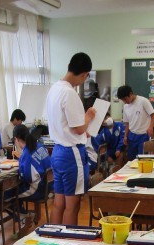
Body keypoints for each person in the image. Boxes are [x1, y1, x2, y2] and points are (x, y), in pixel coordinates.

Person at [45, 52, 96, 225]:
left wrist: (82, 130)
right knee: (72, 206)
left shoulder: (54, 88)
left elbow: (66, 125)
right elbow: (78, 127)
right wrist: (89, 116)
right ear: (85, 74)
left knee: (59, 203)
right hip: (72, 154)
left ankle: (54, 237)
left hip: (58, 151)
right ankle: (69, 238)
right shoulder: (69, 93)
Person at [10, 124, 52, 201]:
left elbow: (28, 178)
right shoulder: (39, 145)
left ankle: (18, 208)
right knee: (15, 189)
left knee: (2, 196)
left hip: (37, 189)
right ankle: (20, 208)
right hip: (48, 186)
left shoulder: (26, 153)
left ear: (16, 139)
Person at [117, 85, 154, 161]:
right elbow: (127, 123)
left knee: (143, 159)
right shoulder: (125, 106)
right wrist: (125, 136)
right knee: (131, 160)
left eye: (125, 99)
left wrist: (151, 127)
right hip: (132, 136)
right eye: (122, 100)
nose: (125, 101)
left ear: (131, 94)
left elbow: (153, 115)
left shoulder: (143, 101)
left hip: (143, 135)